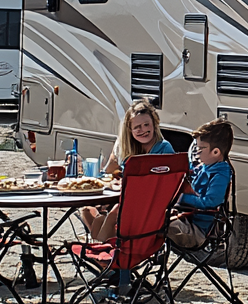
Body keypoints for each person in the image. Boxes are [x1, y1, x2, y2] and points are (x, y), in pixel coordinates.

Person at [80, 99, 175, 242]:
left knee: (114, 212)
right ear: (129, 130)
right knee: (87, 210)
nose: (143, 130)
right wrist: (117, 180)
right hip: (126, 197)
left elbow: (164, 184)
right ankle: (104, 246)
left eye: (146, 125)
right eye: (137, 127)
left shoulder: (163, 149)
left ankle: (102, 251)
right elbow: (114, 174)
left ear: (154, 124)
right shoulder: (130, 149)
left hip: (151, 205)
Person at [166, 118, 234, 250]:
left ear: (216, 152)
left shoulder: (220, 175)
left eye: (200, 149)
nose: (196, 153)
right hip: (185, 219)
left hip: (198, 231)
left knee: (156, 225)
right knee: (149, 218)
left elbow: (210, 202)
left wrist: (182, 198)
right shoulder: (204, 167)